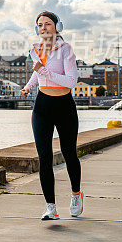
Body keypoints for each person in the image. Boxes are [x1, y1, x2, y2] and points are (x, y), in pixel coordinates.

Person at [20, 11, 81, 220]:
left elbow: (71, 81)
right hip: (42, 106)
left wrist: (44, 72)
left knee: (69, 153)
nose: (43, 28)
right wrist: (28, 86)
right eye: (39, 25)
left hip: (64, 105)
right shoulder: (35, 49)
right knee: (44, 157)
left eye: (47, 24)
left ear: (57, 27)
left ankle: (75, 195)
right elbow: (37, 73)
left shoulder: (66, 50)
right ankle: (51, 207)